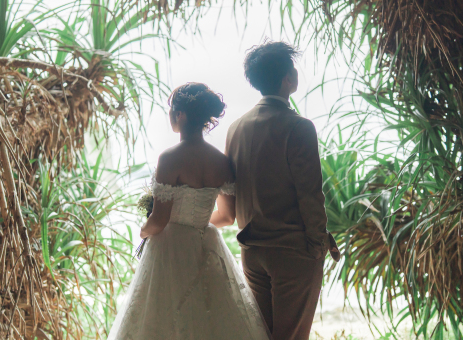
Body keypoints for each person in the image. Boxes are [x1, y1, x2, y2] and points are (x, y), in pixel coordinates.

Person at [107, 82, 271, 340]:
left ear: (180, 115)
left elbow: (159, 220)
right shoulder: (221, 161)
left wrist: (143, 231)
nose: (170, 115)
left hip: (170, 249)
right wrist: (198, 224)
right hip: (205, 244)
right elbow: (228, 217)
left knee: (165, 319)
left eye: (172, 110)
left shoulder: (170, 158)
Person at [215, 41, 340, 340]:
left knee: (263, 335)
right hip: (293, 252)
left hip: (252, 251)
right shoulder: (298, 127)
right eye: (293, 69)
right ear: (288, 79)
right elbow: (310, 194)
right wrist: (317, 245)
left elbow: (229, 194)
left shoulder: (235, 128)